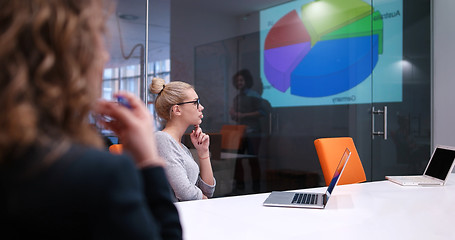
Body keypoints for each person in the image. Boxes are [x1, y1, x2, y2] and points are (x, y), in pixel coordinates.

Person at [0, 0, 181, 239]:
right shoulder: (99, 175)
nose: (106, 56)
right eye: (98, 38)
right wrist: (148, 161)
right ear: (70, 57)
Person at [150, 77, 216, 201]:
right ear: (177, 110)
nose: (201, 107)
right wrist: (204, 200)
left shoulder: (181, 147)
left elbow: (208, 191)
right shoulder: (162, 139)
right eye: (195, 102)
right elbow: (186, 193)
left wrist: (203, 152)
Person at [229, 69, 271, 193]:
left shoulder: (254, 95)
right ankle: (240, 186)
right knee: (237, 159)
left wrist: (243, 115)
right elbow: (235, 116)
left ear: (246, 81)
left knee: (253, 160)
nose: (239, 83)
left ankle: (256, 187)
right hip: (241, 133)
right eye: (237, 81)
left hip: (254, 133)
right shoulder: (237, 97)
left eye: (241, 80)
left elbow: (263, 112)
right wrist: (233, 114)